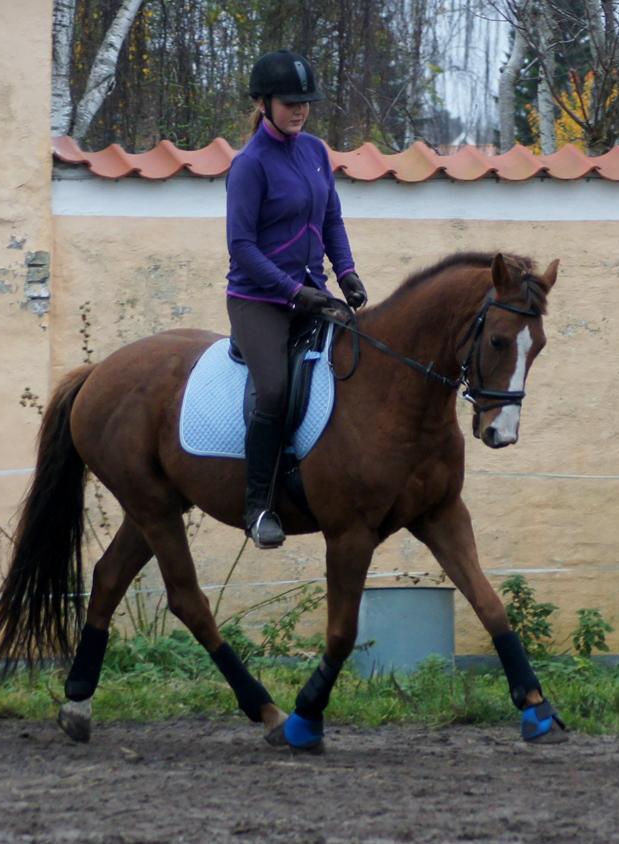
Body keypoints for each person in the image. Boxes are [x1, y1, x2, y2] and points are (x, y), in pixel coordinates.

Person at [225, 49, 367, 550]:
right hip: (258, 300)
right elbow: (241, 247)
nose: (299, 110)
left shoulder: (315, 152)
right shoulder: (249, 166)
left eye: (305, 102)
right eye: (289, 102)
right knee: (275, 390)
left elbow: (331, 220)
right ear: (264, 103)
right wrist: (291, 291)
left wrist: (345, 272)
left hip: (311, 293)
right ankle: (258, 504)